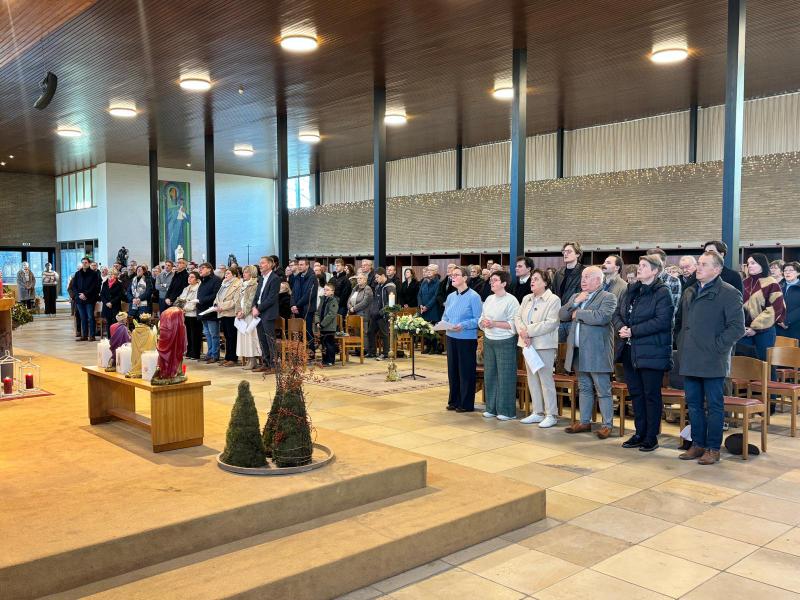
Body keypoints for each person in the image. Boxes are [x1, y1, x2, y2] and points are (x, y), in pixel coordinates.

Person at [675, 251, 745, 465]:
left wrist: (717, 347)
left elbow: (737, 327)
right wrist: (681, 343)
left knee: (714, 405)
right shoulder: (690, 291)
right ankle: (697, 444)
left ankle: (713, 448)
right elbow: (680, 323)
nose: (699, 268)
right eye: (699, 264)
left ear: (717, 269)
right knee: (693, 404)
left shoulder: (728, 293)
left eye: (704, 265)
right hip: (690, 356)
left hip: (713, 358)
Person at [613, 256, 674, 452]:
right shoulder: (632, 290)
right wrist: (622, 327)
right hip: (630, 349)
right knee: (636, 393)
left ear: (655, 271)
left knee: (651, 395)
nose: (639, 269)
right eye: (639, 266)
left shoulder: (662, 292)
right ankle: (639, 433)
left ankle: (651, 436)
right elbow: (617, 313)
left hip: (652, 350)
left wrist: (633, 331)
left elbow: (662, 321)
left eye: (644, 266)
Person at [560, 266, 618, 438]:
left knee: (603, 389)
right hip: (578, 350)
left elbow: (602, 317)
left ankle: (607, 425)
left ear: (598, 280)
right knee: (584, 387)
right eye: (583, 277)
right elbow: (562, 314)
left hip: (597, 351)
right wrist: (575, 302)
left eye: (587, 277)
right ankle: (585, 422)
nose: (583, 280)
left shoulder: (608, 297)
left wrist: (579, 313)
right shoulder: (576, 296)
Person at [515, 269, 561, 428]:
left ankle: (551, 414)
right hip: (527, 344)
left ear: (546, 282)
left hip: (544, 345)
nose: (532, 282)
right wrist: (523, 332)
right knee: (532, 379)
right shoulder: (527, 298)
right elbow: (518, 317)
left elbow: (551, 323)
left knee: (545, 379)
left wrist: (528, 331)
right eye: (532, 279)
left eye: (536, 279)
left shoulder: (553, 299)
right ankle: (537, 412)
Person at [440, 266, 483, 413]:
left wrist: (463, 325)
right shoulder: (451, 296)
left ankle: (465, 403)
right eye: (452, 275)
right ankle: (454, 400)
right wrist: (445, 324)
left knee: (465, 371)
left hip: (466, 338)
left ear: (465, 278)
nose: (453, 277)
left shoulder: (474, 296)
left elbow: (478, 319)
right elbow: (445, 316)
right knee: (453, 370)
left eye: (456, 275)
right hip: (451, 336)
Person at [478, 271, 520, 420]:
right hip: (489, 339)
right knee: (490, 374)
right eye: (491, 280)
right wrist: (483, 323)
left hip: (505, 341)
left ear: (504, 283)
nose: (491, 282)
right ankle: (491, 408)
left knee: (505, 375)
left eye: (495, 280)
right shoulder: (489, 299)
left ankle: (507, 411)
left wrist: (494, 323)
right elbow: (482, 318)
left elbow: (513, 324)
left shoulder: (511, 300)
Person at [740, 253, 785, 362]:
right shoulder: (744, 283)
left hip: (765, 331)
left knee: (766, 364)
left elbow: (776, 308)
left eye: (753, 263)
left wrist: (755, 328)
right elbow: (737, 305)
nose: (749, 266)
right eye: (748, 263)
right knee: (744, 364)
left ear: (762, 265)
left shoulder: (772, 283)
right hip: (744, 330)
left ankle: (770, 380)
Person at [553, 242, 586, 341]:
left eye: (569, 251)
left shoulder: (584, 272)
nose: (565, 254)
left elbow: (585, 294)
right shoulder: (559, 273)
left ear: (577, 254)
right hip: (559, 318)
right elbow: (554, 293)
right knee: (559, 351)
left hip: (574, 318)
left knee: (573, 350)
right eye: (564, 251)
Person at [252, 256, 280, 373]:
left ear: (270, 264)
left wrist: (258, 308)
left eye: (262, 263)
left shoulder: (275, 278)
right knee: (262, 339)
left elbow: (271, 298)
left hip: (268, 313)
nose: (260, 265)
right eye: (260, 263)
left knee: (270, 340)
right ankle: (266, 363)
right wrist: (254, 306)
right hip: (259, 313)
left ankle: (274, 365)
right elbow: (257, 295)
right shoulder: (262, 278)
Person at [213, 267, 242, 367]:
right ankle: (227, 357)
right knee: (226, 336)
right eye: (226, 273)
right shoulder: (224, 283)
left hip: (231, 313)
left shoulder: (238, 284)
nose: (226, 275)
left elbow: (236, 301)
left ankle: (233, 358)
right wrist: (216, 305)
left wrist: (222, 306)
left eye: (228, 273)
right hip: (222, 313)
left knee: (232, 336)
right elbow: (217, 297)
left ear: (234, 275)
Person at [291, 258, 319, 358]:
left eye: (302, 264)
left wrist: (297, 305)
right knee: (299, 330)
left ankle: (311, 351)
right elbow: (293, 292)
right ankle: (302, 351)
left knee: (307, 330)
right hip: (298, 308)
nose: (299, 266)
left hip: (307, 308)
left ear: (307, 265)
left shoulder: (312, 277)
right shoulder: (298, 277)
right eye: (299, 264)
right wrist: (293, 305)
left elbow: (309, 295)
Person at [366, 268, 395, 360]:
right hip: (375, 315)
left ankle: (386, 353)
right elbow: (376, 300)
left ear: (383, 275)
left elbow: (390, 303)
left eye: (378, 277)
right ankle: (372, 352)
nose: (376, 279)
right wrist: (372, 311)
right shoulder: (378, 286)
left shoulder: (390, 286)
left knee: (384, 334)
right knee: (370, 332)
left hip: (384, 315)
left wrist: (381, 312)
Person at [197, 262, 222, 363]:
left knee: (214, 334)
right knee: (207, 333)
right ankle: (210, 353)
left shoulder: (216, 280)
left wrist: (202, 300)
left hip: (211, 310)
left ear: (209, 269)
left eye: (202, 268)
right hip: (203, 310)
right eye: (200, 268)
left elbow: (215, 295)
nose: (200, 270)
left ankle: (215, 355)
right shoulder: (204, 280)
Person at [72, 257, 100, 341]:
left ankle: (92, 335)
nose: (84, 264)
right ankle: (84, 335)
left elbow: (94, 286)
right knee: (82, 317)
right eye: (83, 262)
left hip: (90, 299)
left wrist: (85, 294)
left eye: (86, 262)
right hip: (80, 299)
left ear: (89, 263)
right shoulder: (77, 274)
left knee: (90, 317)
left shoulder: (94, 274)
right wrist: (78, 295)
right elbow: (74, 286)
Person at [646, 248, 681, 312]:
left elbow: (672, 309)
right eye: (650, 261)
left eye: (655, 260)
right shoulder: (644, 280)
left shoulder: (673, 281)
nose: (652, 263)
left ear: (664, 262)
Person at [177, 270, 202, 360]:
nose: (189, 278)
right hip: (185, 314)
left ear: (197, 279)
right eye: (189, 277)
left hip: (194, 313)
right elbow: (181, 299)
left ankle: (195, 353)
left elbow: (195, 301)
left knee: (195, 334)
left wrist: (185, 308)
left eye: (192, 277)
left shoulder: (198, 288)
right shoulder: (186, 288)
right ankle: (189, 351)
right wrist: (181, 307)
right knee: (188, 334)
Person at [418, 265, 442, 354]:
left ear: (435, 271)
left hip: (433, 309)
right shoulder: (424, 282)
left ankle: (434, 348)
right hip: (423, 309)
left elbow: (435, 297)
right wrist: (420, 305)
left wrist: (427, 307)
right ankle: (428, 347)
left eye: (430, 270)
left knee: (432, 329)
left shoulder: (438, 283)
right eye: (427, 270)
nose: (428, 272)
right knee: (426, 329)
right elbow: (419, 294)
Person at [315, 282, 339, 366]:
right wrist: (317, 322)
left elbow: (331, 314)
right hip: (321, 325)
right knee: (323, 344)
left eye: (327, 290)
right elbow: (317, 312)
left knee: (329, 344)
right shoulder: (322, 300)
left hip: (329, 326)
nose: (325, 291)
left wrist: (322, 324)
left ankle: (330, 360)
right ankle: (324, 360)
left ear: (332, 291)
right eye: (324, 289)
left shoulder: (333, 301)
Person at [347, 274, 373, 342]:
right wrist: (350, 308)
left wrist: (354, 308)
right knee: (356, 332)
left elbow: (365, 302)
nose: (358, 280)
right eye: (358, 278)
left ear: (365, 280)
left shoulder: (367, 289)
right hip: (354, 314)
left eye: (360, 278)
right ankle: (358, 350)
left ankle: (365, 350)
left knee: (364, 333)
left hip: (364, 314)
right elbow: (349, 300)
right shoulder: (355, 288)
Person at [99, 268, 124, 337]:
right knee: (108, 322)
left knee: (115, 322)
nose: (110, 275)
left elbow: (120, 295)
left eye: (112, 274)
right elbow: (102, 294)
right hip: (106, 306)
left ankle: (115, 337)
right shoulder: (104, 283)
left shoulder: (119, 284)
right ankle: (109, 337)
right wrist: (106, 303)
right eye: (109, 274)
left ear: (115, 275)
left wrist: (111, 303)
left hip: (115, 306)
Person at [780, 262, 800, 341]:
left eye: (791, 270)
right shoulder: (778, 286)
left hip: (795, 327)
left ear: (798, 272)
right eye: (785, 270)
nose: (787, 272)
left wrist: (787, 320)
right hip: (778, 326)